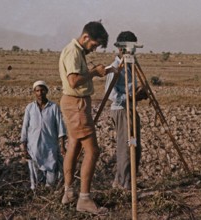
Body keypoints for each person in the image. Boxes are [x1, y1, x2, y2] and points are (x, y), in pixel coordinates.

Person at [59, 21, 112, 215]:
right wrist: (94, 73)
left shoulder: (76, 50)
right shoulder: (73, 51)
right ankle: (84, 199)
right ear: (86, 37)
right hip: (77, 104)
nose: (94, 49)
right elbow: (74, 81)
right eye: (94, 45)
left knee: (74, 146)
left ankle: (69, 192)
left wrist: (103, 71)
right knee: (93, 151)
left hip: (74, 103)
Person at [105, 31, 147, 190]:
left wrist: (138, 93)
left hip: (130, 109)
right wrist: (130, 97)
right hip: (122, 110)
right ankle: (123, 183)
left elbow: (130, 89)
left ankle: (130, 180)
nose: (134, 52)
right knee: (126, 146)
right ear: (123, 48)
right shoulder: (115, 67)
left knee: (135, 146)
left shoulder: (130, 66)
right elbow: (111, 94)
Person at [20, 80, 66, 190]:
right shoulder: (30, 108)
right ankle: (38, 192)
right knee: (35, 171)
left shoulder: (54, 107)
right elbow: (25, 127)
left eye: (42, 90)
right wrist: (23, 146)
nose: (40, 93)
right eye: (37, 91)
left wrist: (62, 145)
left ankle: (49, 190)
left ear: (46, 91)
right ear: (34, 92)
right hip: (34, 146)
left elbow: (60, 127)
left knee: (51, 169)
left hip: (50, 145)